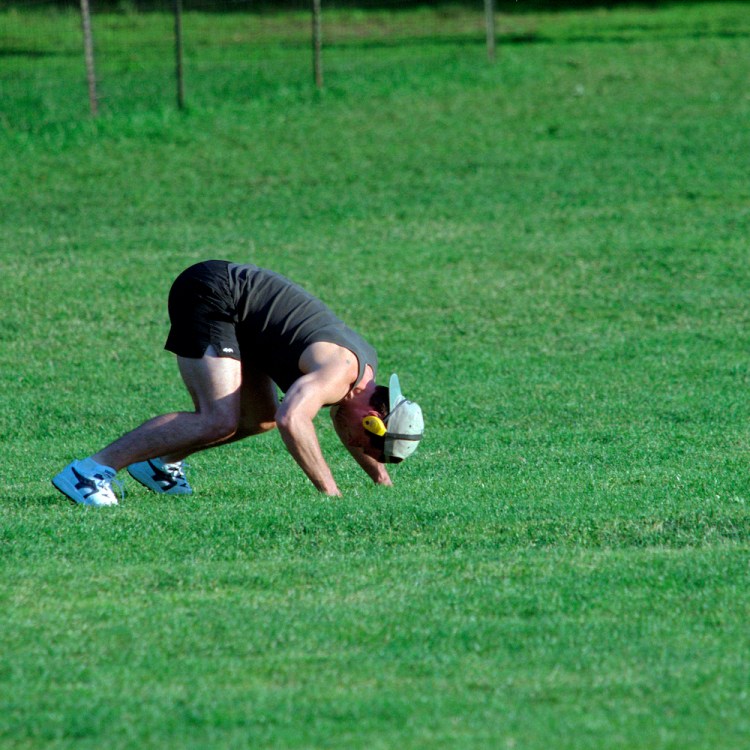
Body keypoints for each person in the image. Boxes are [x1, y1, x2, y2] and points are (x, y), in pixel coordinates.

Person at [52, 260, 424, 507]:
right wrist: (331, 493)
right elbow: (293, 420)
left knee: (257, 417)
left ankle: (158, 465)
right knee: (217, 419)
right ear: (373, 417)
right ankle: (89, 472)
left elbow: (332, 424)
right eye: (363, 440)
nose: (352, 442)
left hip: (243, 323)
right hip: (215, 294)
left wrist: (382, 481)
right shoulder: (339, 372)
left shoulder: (361, 377)